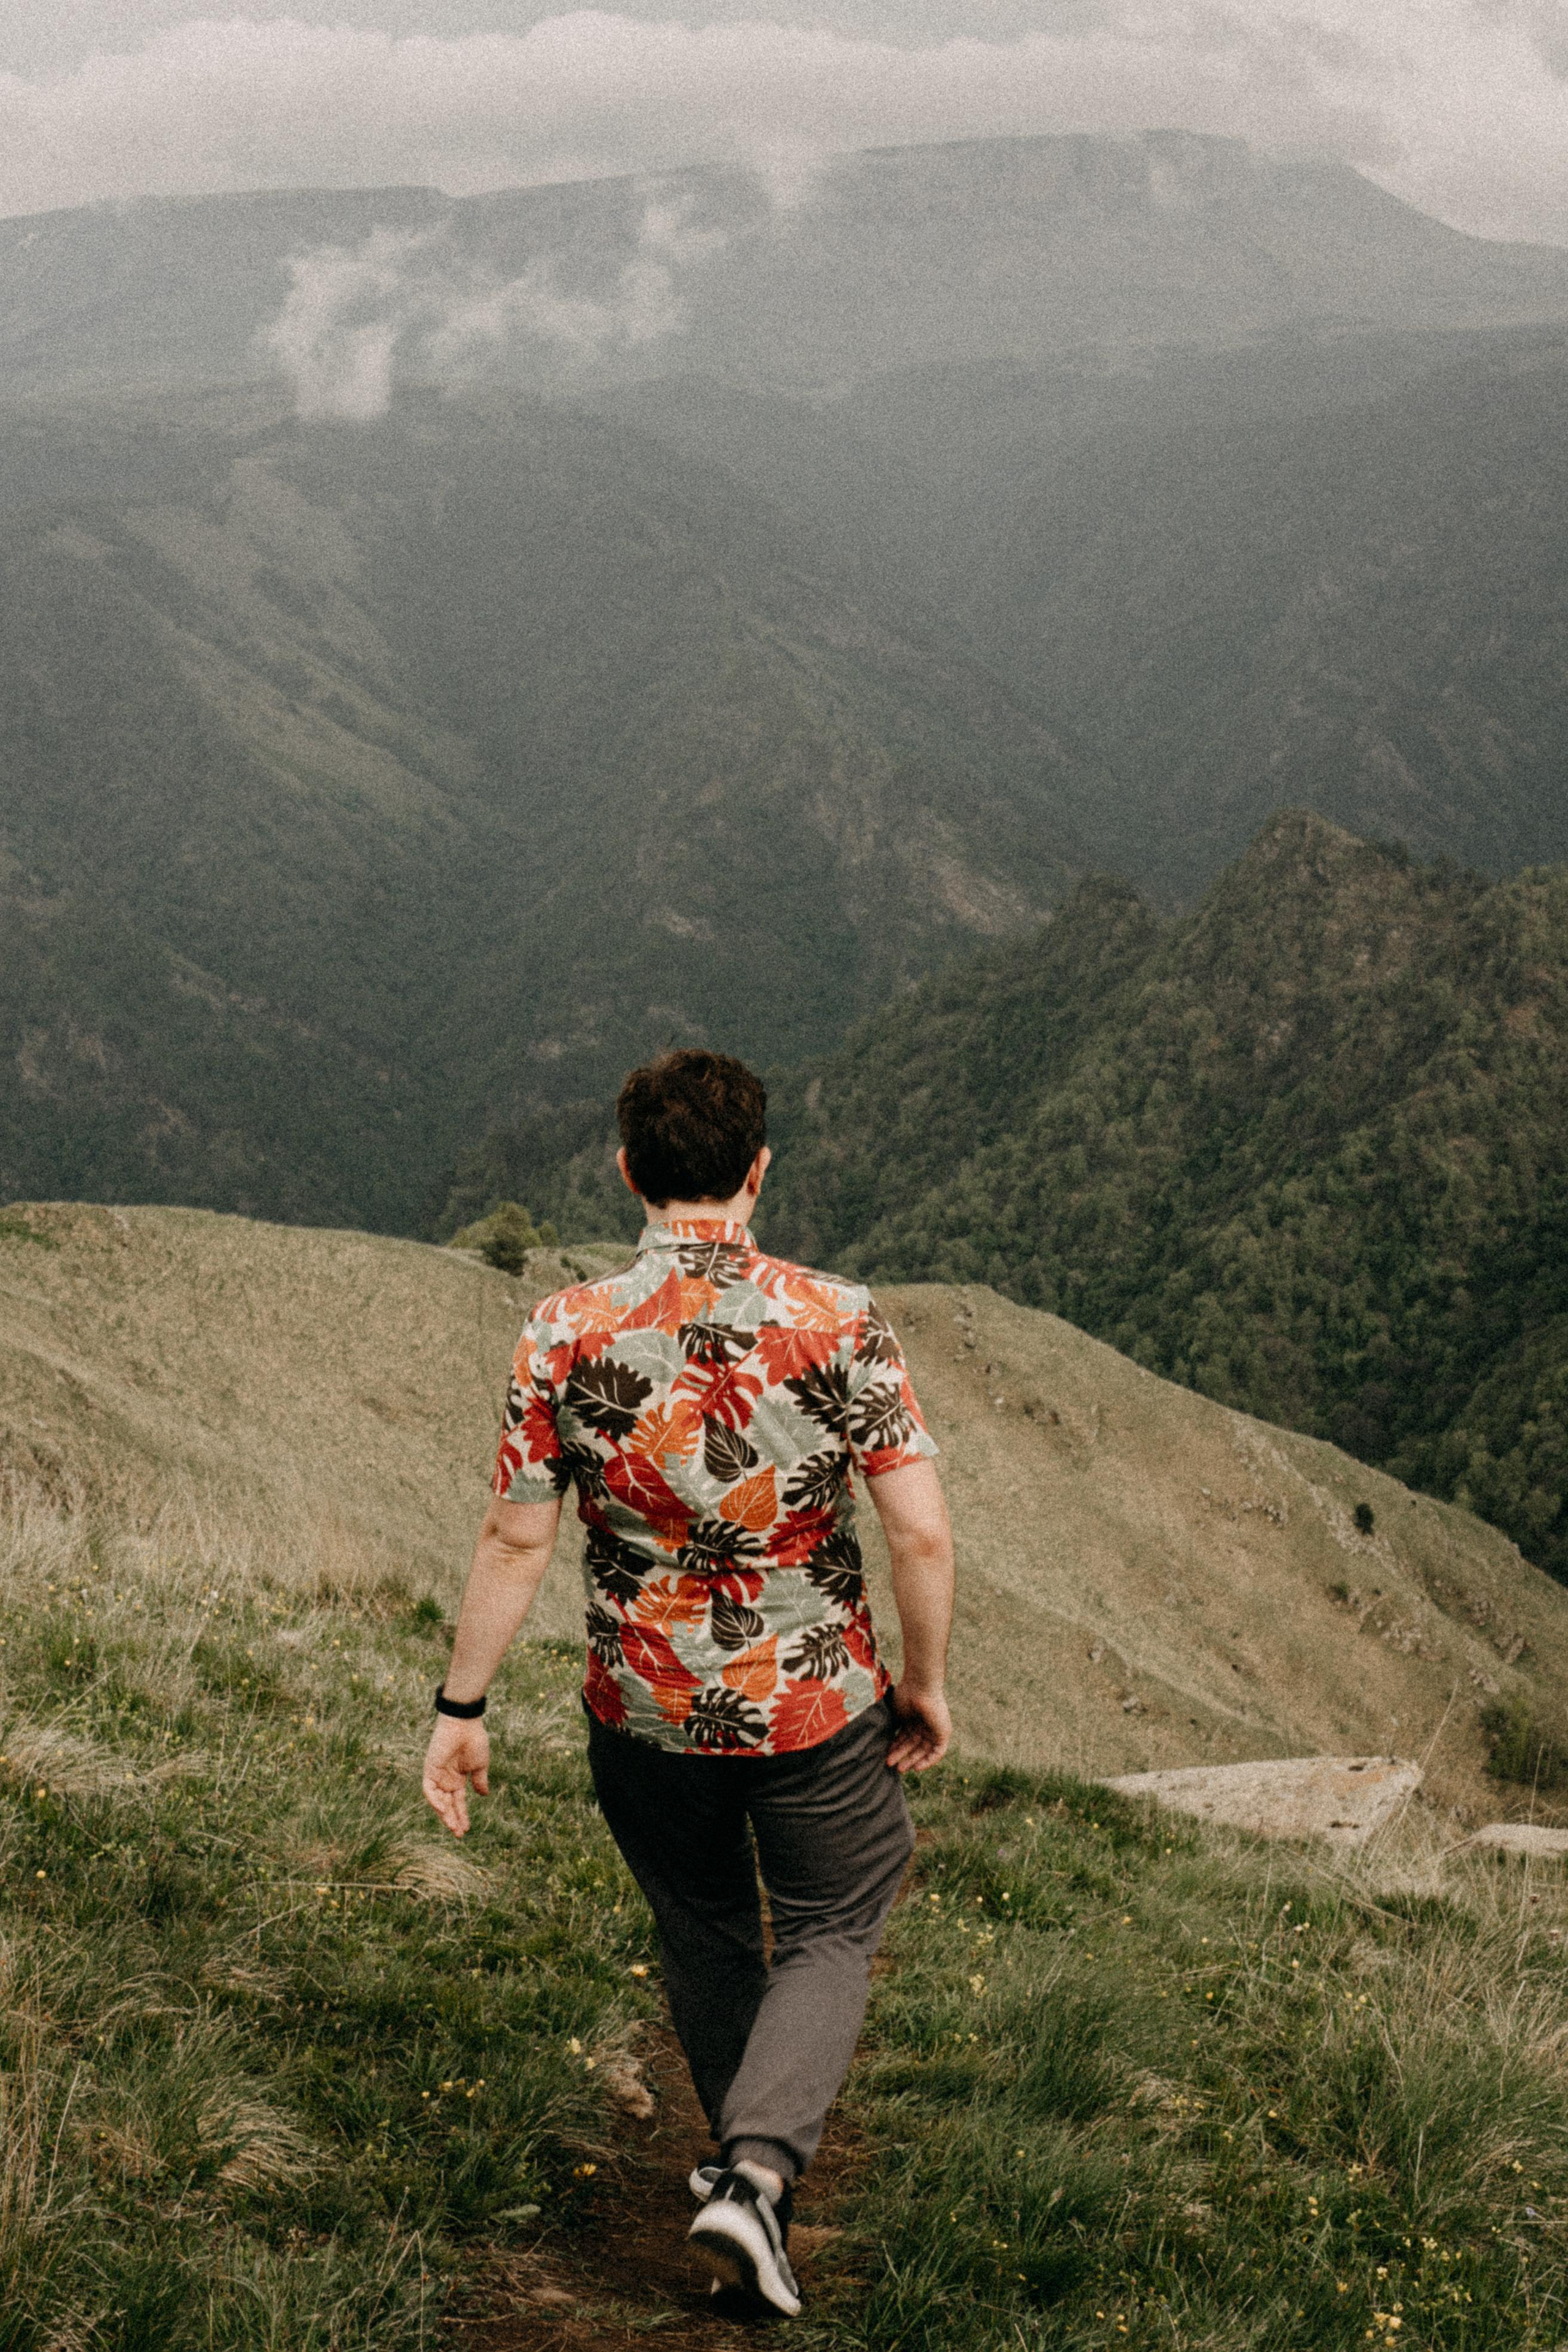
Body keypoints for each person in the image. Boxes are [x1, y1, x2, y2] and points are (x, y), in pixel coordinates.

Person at [423, 1049, 955, 2316]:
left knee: (703, 1927)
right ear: (758, 1170)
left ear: (628, 1173)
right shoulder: (838, 1317)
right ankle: (757, 2181)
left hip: (643, 1706)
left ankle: (739, 2175)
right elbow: (920, 1533)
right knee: (832, 1920)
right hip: (814, 1701)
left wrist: (460, 1709)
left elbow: (514, 1539)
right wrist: (923, 1683)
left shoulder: (563, 1328)